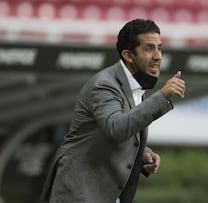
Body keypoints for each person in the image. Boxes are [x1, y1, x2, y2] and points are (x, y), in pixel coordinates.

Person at [40, 19, 186, 203]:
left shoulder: (133, 85)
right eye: (149, 48)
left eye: (159, 47)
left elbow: (116, 131)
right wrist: (162, 96)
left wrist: (141, 153)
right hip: (79, 192)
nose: (158, 56)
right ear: (128, 55)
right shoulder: (104, 85)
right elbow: (117, 128)